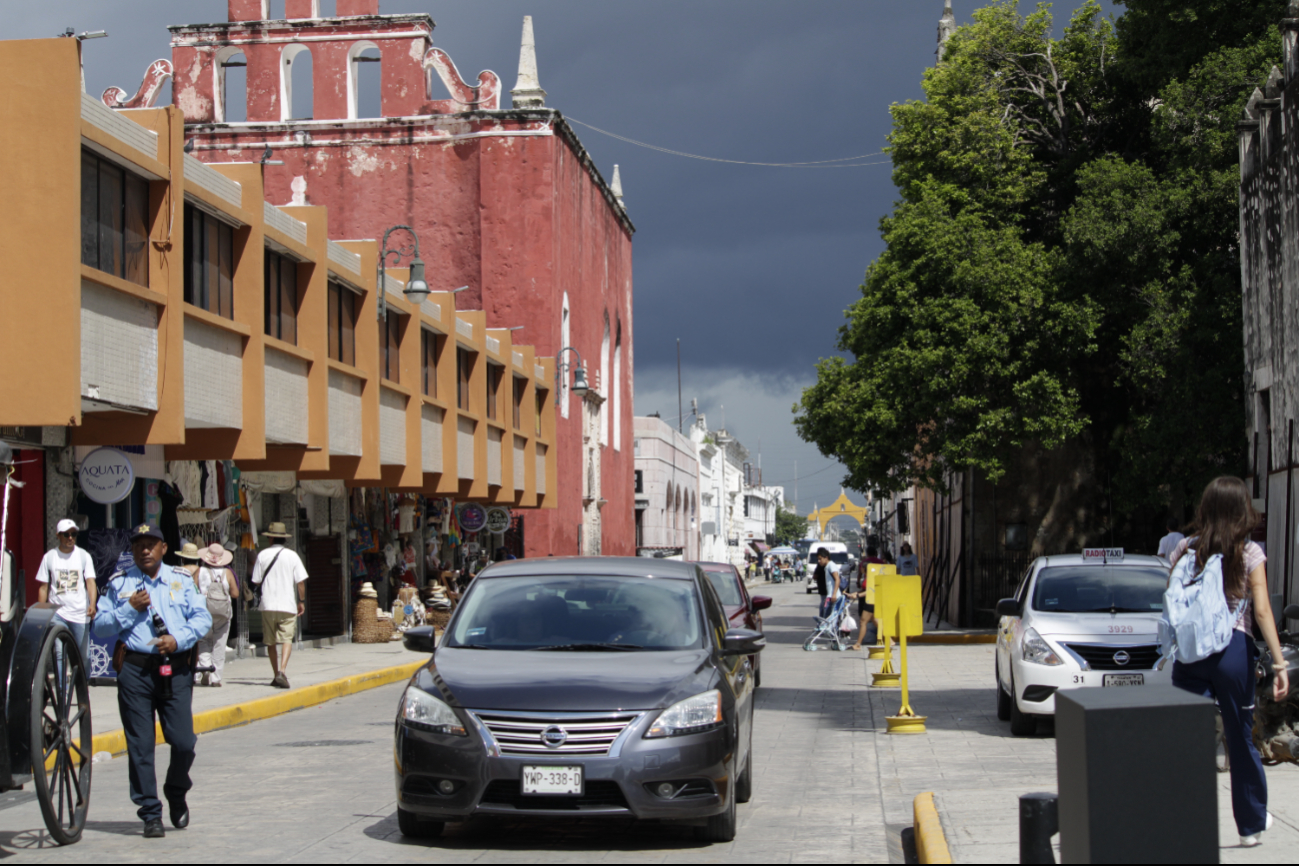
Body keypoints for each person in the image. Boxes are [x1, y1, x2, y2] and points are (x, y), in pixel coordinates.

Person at [1168, 477, 1287, 848]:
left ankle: (1184, 825)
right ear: (1241, 510)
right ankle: (1250, 826)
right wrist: (1280, 664)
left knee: (1187, 740)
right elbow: (1263, 611)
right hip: (1234, 650)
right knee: (1240, 736)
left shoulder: (1186, 550)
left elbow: (1174, 603)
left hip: (1191, 654)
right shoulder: (1249, 553)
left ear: (1206, 507)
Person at [92, 523, 212, 839]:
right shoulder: (120, 584)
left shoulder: (181, 580)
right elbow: (100, 626)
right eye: (138, 545)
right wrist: (128, 610)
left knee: (184, 741)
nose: (144, 549)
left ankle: (176, 789)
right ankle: (150, 813)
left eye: (151, 544)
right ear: (132, 550)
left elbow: (202, 618)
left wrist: (178, 640)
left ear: (162, 548)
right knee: (140, 746)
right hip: (135, 670)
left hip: (175, 668)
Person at [251, 522, 308, 689]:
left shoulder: (262, 555)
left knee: (270, 642)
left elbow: (256, 580)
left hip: (267, 604)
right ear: (284, 539)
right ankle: (282, 671)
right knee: (287, 639)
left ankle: (276, 673)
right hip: (287, 605)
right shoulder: (293, 556)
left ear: (270, 538)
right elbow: (301, 582)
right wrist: (301, 601)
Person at [35, 518, 97, 659]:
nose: (70, 538)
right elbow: (43, 588)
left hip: (80, 613)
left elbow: (91, 582)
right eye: (66, 534)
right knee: (59, 653)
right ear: (58, 535)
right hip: (58, 613)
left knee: (83, 656)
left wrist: (92, 604)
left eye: (73, 534)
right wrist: (41, 612)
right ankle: (62, 682)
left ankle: (82, 681)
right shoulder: (49, 557)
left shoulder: (83, 556)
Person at [195, 543, 238, 687]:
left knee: (204, 641)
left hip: (204, 612)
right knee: (219, 644)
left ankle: (205, 668)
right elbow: (235, 593)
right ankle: (216, 679)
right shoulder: (228, 572)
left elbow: (192, 591)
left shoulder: (200, 571)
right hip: (223, 614)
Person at [849, 546, 885, 651]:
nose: (860, 569)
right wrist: (856, 593)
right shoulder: (869, 575)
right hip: (870, 601)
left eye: (861, 568)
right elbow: (865, 589)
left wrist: (858, 595)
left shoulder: (870, 578)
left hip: (871, 601)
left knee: (863, 622)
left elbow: (870, 591)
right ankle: (890, 639)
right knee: (875, 621)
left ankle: (858, 644)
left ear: (865, 568)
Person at [812, 547, 840, 619]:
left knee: (829, 618)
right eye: (818, 559)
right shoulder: (827, 566)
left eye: (820, 559)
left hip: (833, 597)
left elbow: (837, 579)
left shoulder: (831, 565)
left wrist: (834, 594)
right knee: (827, 617)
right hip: (829, 596)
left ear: (826, 558)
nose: (819, 561)